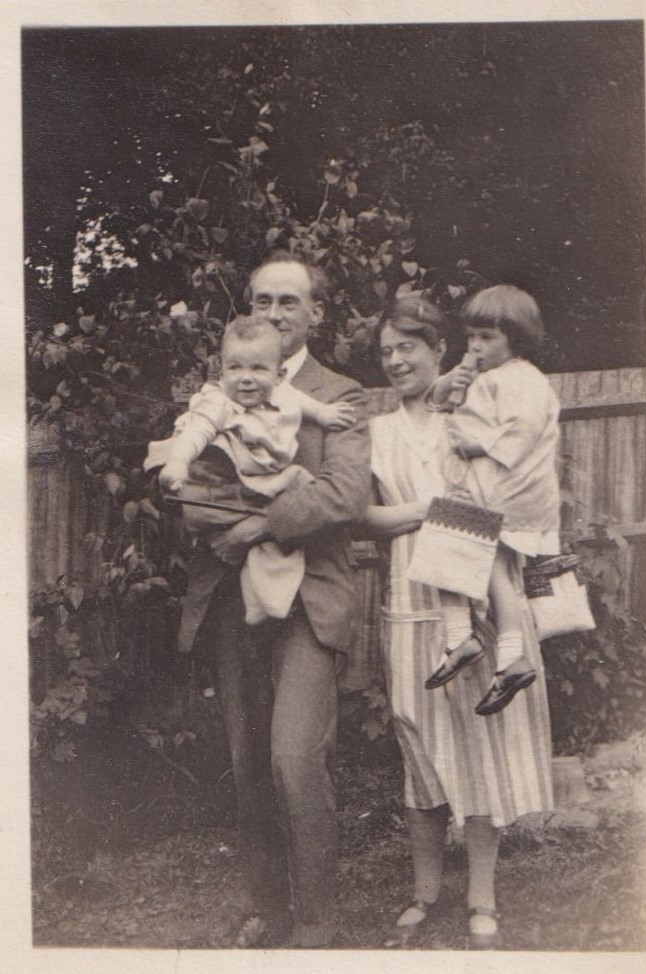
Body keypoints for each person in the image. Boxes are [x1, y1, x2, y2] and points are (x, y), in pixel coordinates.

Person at [169, 253, 370, 948]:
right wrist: (222, 518)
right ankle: (268, 908)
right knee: (249, 759)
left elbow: (345, 494)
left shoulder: (339, 395)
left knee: (294, 757)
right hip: (233, 596)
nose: (276, 314)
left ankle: (314, 922)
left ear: (316, 312)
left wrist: (256, 524)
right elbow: (191, 489)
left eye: (289, 301)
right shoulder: (223, 387)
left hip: (310, 598)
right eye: (263, 301)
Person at [364, 295, 554, 949]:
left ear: (439, 350)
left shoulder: (472, 412)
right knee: (419, 751)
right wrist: (430, 509)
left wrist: (463, 506)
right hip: (408, 606)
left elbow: (505, 496)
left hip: (476, 605)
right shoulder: (378, 431)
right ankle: (424, 892)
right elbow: (364, 518)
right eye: (385, 352)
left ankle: (481, 896)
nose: (395, 361)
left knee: (480, 753)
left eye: (407, 348)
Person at [144, 314, 355, 625]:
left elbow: (300, 401)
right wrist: (179, 462)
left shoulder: (282, 393)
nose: (245, 378)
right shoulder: (219, 402)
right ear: (222, 370)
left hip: (261, 477)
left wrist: (324, 413)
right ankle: (261, 598)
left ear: (279, 375)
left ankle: (264, 600)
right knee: (233, 523)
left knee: (281, 521)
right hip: (226, 478)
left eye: (258, 368)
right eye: (235, 368)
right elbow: (197, 433)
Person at [424, 285, 561, 715]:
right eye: (471, 337)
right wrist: (450, 382)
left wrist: (477, 443)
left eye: (487, 337)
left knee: (479, 558)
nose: (476, 347)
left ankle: (491, 648)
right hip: (483, 487)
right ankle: (475, 643)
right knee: (454, 550)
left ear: (515, 340)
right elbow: (435, 402)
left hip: (507, 490)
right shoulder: (485, 376)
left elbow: (523, 431)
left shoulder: (523, 379)